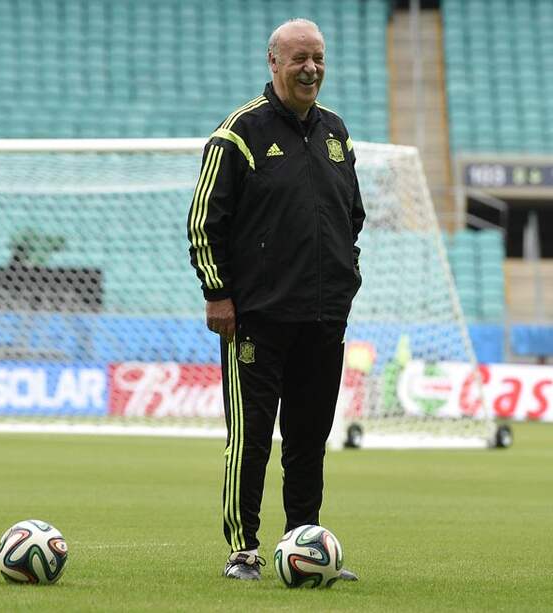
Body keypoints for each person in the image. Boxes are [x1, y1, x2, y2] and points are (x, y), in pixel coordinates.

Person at [185, 18, 364, 582]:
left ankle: (305, 546)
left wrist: (345, 277)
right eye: (299, 59)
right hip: (257, 319)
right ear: (273, 63)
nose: (311, 68)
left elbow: (351, 217)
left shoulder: (337, 132)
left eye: (318, 58)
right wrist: (218, 295)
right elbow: (202, 223)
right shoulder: (238, 132)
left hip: (323, 316)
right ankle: (243, 551)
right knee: (252, 438)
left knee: (309, 441)